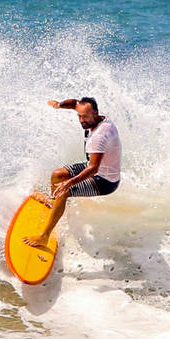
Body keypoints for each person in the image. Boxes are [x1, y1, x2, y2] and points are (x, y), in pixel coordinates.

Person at [24, 96, 122, 247]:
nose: (82, 120)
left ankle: (44, 236)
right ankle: (53, 203)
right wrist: (59, 105)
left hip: (105, 181)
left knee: (64, 190)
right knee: (57, 175)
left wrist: (68, 183)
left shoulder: (100, 135)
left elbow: (93, 168)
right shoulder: (91, 114)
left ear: (95, 113)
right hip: (94, 166)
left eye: (86, 117)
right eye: (80, 116)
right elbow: (74, 103)